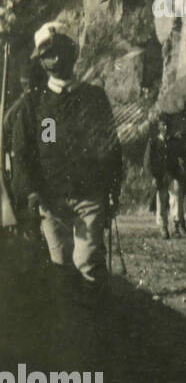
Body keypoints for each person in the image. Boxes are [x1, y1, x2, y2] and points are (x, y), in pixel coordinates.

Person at [11, 22, 122, 286]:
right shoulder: (33, 104)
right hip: (51, 201)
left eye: (61, 50)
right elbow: (22, 153)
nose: (56, 58)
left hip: (89, 197)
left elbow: (111, 148)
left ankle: (96, 323)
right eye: (48, 54)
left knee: (89, 265)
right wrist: (32, 192)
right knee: (60, 269)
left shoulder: (94, 98)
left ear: (73, 54)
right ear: (41, 61)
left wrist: (112, 190)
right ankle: (71, 325)